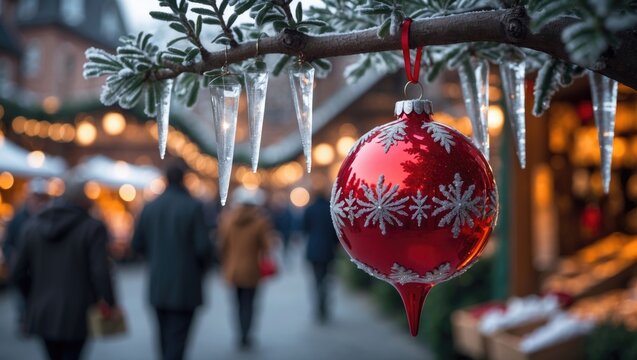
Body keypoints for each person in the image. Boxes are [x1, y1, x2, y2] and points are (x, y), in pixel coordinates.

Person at [11, 179, 117, 360]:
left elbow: (17, 271)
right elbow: (100, 271)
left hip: (42, 309)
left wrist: (32, 295)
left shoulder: (32, 226)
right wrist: (110, 302)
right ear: (83, 199)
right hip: (78, 311)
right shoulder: (92, 228)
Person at [132, 161, 212, 360]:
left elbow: (136, 244)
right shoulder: (192, 207)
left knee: (163, 333)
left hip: (158, 283)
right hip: (186, 283)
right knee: (179, 337)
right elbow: (203, 247)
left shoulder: (150, 208)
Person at [218, 187, 275, 350]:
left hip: (233, 269)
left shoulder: (227, 219)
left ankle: (239, 333)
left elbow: (222, 245)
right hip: (252, 269)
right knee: (249, 303)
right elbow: (267, 246)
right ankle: (246, 334)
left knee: (236, 303)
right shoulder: (260, 221)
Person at [2, 178, 51, 332]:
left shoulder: (50, 218)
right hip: (23, 268)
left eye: (42, 198)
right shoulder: (18, 219)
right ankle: (26, 321)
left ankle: (34, 321)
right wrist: (13, 258)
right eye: (36, 198)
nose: (38, 202)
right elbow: (8, 243)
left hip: (41, 268)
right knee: (23, 297)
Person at [302, 188, 340, 323]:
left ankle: (319, 304)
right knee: (326, 277)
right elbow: (336, 230)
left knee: (316, 279)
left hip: (313, 249)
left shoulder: (310, 209)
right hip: (328, 249)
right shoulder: (330, 210)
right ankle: (324, 303)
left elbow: (304, 228)